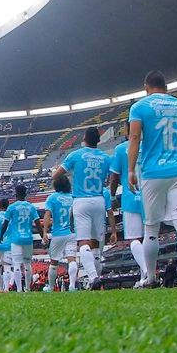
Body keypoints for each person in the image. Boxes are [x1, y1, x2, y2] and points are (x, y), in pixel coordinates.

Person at [127, 71, 177, 288]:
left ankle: (150, 277)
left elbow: (134, 138)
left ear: (146, 86)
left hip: (152, 173)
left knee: (151, 229)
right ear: (166, 87)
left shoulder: (139, 107)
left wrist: (131, 170)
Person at [52, 126, 113, 290]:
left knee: (83, 243)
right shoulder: (106, 157)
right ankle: (97, 279)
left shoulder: (76, 155)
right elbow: (114, 176)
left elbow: (56, 175)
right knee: (95, 245)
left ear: (84, 138)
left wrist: (72, 174)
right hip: (99, 200)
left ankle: (93, 278)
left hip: (81, 201)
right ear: (98, 141)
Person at [107, 122, 148, 287]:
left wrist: (111, 196)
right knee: (150, 236)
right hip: (150, 196)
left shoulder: (120, 149)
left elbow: (115, 177)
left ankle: (146, 271)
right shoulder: (149, 146)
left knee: (134, 239)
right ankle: (147, 274)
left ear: (126, 129)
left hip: (130, 197)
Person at [0, 184, 42, 292]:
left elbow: (5, 224)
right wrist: (43, 236)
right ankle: (27, 288)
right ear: (26, 194)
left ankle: (19, 289)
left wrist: (1, 236)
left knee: (17, 263)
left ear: (16, 194)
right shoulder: (31, 207)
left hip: (16, 240)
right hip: (28, 239)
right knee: (27, 263)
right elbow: (37, 223)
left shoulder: (11, 207)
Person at [42, 173, 78, 290]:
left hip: (58, 234)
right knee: (71, 258)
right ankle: (72, 286)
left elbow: (47, 215)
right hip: (72, 233)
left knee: (54, 262)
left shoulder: (52, 198)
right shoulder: (73, 197)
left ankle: (51, 287)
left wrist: (44, 232)